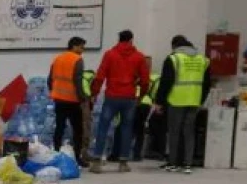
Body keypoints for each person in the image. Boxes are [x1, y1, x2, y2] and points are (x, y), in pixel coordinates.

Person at [89, 30, 150, 173]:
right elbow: (145, 80)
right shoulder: (139, 57)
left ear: (119, 39)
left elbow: (100, 76)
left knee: (103, 127)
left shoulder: (110, 54)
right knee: (126, 128)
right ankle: (123, 162)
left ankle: (97, 161)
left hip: (111, 96)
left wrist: (94, 93)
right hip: (129, 98)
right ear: (131, 40)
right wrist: (141, 95)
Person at [154, 35, 211, 174]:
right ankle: (188, 164)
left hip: (176, 100)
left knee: (174, 132)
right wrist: (200, 100)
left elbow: (165, 83)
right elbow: (207, 84)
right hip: (194, 101)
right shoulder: (203, 60)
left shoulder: (173, 59)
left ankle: (173, 163)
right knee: (189, 132)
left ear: (175, 47)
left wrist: (159, 102)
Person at [48, 37, 90, 167]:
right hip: (72, 101)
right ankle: (77, 158)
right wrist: (83, 98)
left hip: (59, 99)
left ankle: (55, 154)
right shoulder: (77, 60)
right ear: (74, 46)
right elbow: (78, 82)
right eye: (82, 47)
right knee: (78, 130)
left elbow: (50, 80)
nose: (83, 51)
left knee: (59, 128)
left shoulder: (57, 59)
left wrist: (54, 91)